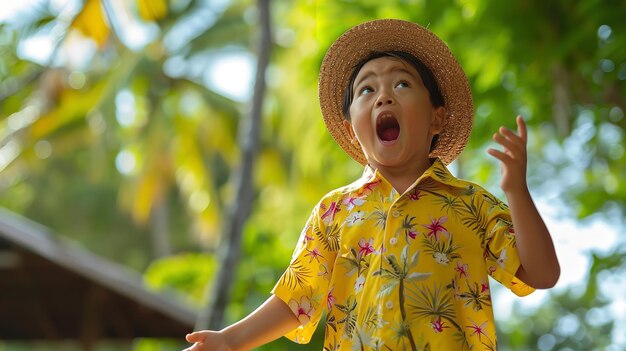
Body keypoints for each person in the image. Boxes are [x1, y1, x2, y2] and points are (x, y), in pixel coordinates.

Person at [183, 18, 560, 351]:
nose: (384, 96)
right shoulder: (334, 211)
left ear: (436, 118)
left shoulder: (471, 203)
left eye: (401, 83)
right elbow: (296, 299)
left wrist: (516, 191)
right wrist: (231, 340)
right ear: (351, 129)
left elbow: (542, 274)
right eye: (366, 90)